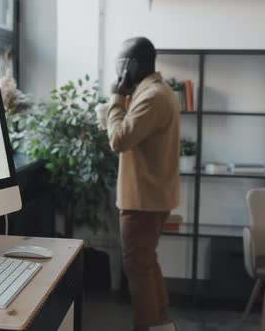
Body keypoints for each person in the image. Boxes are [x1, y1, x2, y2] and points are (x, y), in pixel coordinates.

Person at [106, 37, 180, 331]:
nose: (117, 69)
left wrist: (115, 98)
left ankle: (148, 325)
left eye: (120, 62)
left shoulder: (151, 97)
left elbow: (118, 139)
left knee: (136, 266)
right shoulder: (155, 91)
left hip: (143, 200)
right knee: (146, 262)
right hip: (151, 196)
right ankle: (161, 323)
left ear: (131, 65)